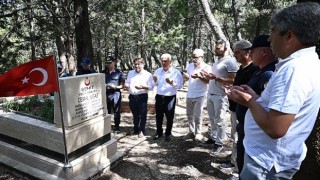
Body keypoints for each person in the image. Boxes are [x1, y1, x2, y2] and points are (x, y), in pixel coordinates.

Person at [227, 3, 320, 179]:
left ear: (289, 35)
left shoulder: (294, 70)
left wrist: (249, 101)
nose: (270, 39)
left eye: (273, 32)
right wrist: (255, 97)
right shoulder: (306, 62)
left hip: (266, 165)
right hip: (269, 160)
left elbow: (275, 128)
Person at [220, 40, 259, 170]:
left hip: (245, 112)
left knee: (239, 139)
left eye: (237, 53)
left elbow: (250, 93)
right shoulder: (241, 68)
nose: (235, 56)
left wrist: (236, 92)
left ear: (248, 53)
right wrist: (231, 89)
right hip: (235, 108)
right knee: (235, 137)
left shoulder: (254, 69)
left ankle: (237, 169)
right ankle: (234, 161)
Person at [201, 39, 238, 154]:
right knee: (212, 119)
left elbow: (234, 79)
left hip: (221, 95)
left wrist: (216, 78)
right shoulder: (217, 61)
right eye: (215, 48)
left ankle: (219, 143)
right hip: (211, 93)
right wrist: (206, 76)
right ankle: (213, 137)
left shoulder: (230, 62)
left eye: (218, 48)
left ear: (225, 48)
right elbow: (213, 77)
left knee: (220, 120)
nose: (215, 50)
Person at [152, 53, 183, 142]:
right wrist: (154, 81)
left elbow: (180, 86)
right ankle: (159, 132)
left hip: (170, 97)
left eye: (165, 61)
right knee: (159, 116)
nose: (163, 62)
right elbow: (155, 84)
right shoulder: (158, 71)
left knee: (169, 116)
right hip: (159, 96)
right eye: (162, 60)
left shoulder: (176, 73)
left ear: (170, 62)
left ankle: (168, 133)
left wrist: (172, 83)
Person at [183, 49, 211, 141]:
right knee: (189, 114)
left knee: (197, 115)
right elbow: (188, 78)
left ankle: (198, 133)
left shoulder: (207, 67)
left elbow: (208, 81)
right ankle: (191, 132)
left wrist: (199, 76)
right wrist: (186, 77)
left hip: (201, 94)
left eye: (196, 57)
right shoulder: (190, 66)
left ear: (202, 57)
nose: (194, 59)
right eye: (193, 57)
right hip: (190, 93)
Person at [124, 58, 154, 138]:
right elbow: (127, 83)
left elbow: (151, 87)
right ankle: (136, 128)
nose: (137, 66)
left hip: (142, 96)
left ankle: (142, 130)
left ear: (143, 64)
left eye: (139, 64)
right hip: (132, 96)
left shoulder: (148, 74)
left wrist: (143, 87)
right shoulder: (130, 73)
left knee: (142, 114)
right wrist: (126, 85)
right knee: (135, 114)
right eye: (135, 64)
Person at [101, 56, 125, 134]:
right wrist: (104, 85)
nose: (108, 64)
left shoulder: (119, 73)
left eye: (110, 62)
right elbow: (100, 83)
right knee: (106, 111)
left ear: (114, 62)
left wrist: (115, 87)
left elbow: (122, 86)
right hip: (106, 93)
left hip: (116, 93)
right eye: (107, 63)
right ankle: (107, 127)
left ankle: (117, 127)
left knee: (116, 111)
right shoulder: (103, 73)